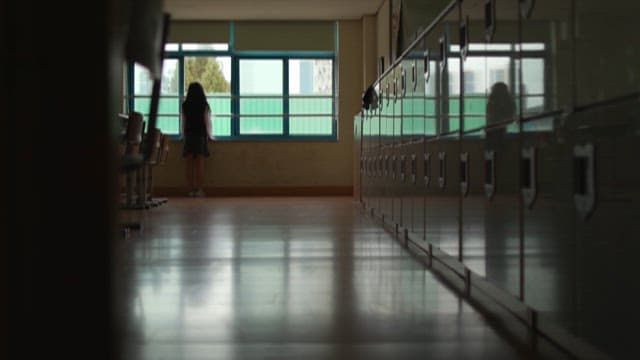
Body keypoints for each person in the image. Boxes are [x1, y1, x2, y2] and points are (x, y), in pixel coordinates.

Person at [181, 82, 213, 197]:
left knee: (189, 164)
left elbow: (183, 122)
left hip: (189, 135)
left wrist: (183, 136)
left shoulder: (185, 105)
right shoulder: (204, 104)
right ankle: (199, 190)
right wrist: (209, 135)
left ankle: (190, 190)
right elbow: (207, 121)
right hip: (200, 135)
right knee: (200, 164)